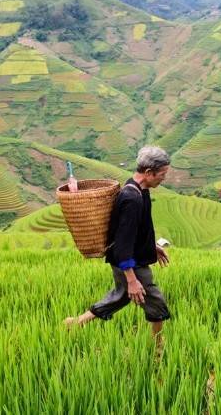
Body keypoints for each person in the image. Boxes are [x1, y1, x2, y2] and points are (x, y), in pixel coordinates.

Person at [64, 146, 172, 347]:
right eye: (163, 174)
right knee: (155, 300)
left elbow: (140, 229)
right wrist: (132, 279)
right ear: (149, 173)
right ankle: (159, 347)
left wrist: (152, 247)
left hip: (128, 259)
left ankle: (76, 323)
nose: (164, 179)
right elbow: (123, 243)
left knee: (120, 297)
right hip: (129, 262)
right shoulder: (131, 199)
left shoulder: (141, 189)